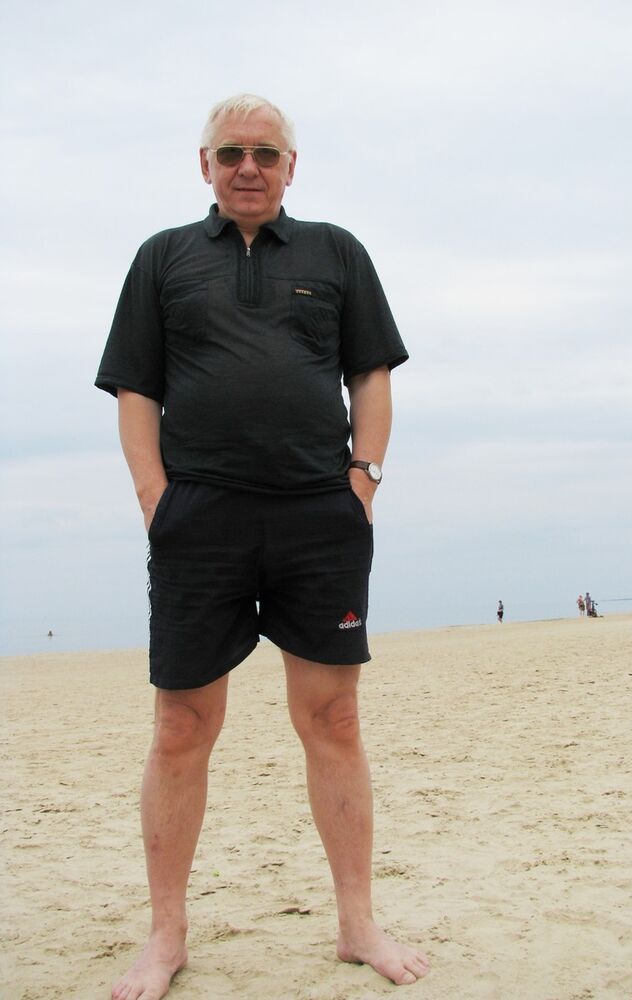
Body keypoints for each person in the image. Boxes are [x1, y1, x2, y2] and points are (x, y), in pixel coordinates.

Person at [96, 93, 429, 1000]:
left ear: (291, 166)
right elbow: (135, 389)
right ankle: (167, 935)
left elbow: (370, 373)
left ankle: (357, 923)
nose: (249, 167)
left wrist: (363, 481)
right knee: (181, 726)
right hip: (199, 516)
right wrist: (155, 500)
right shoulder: (163, 257)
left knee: (334, 720)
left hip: (319, 513)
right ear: (204, 164)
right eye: (232, 152)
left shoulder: (336, 252)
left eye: (267, 154)